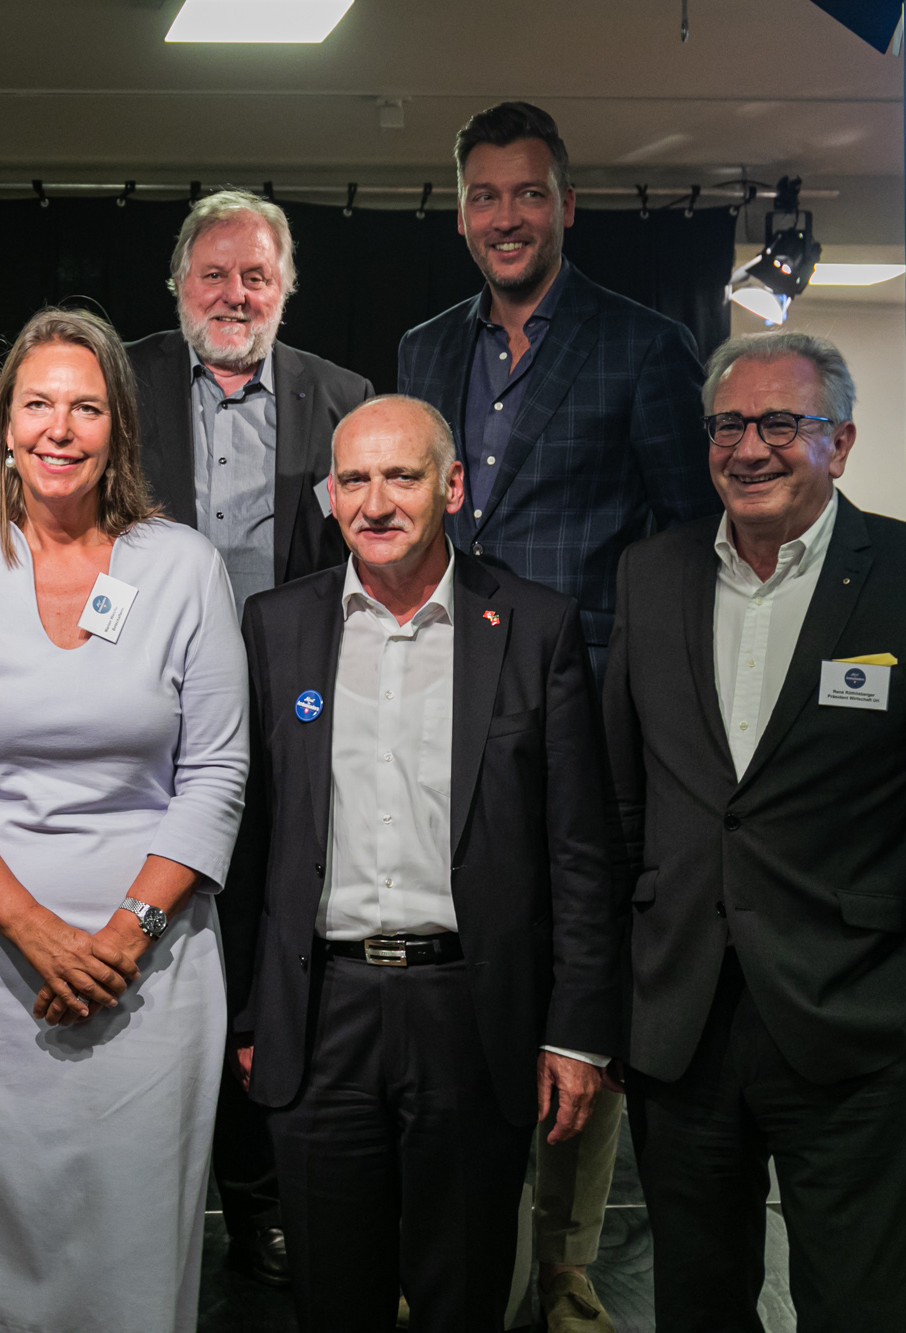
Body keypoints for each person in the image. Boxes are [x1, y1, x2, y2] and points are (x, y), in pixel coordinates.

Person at [396, 101, 719, 1330]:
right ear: (461, 211)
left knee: (582, 981)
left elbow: (678, 539)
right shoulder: (424, 349)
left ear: (564, 206)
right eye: (483, 196)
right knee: (468, 969)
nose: (504, 218)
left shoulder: (639, 347)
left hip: (582, 716)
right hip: (439, 709)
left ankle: (565, 1258)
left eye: (526, 194)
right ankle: (455, 1249)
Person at [0, 307, 248, 1333]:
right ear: (3, 424)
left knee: (122, 1251)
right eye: (35, 403)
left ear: (117, 426)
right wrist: (36, 933)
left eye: (84, 406)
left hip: (147, 968)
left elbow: (214, 773)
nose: (59, 428)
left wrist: (123, 935)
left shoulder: (181, 568)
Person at [228, 395, 621, 1331]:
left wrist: (575, 1032)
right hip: (322, 1012)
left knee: (464, 1294)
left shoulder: (532, 625)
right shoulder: (276, 627)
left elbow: (580, 849)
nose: (376, 501)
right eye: (353, 479)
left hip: (471, 1016)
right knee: (333, 1296)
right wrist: (249, 1009)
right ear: (330, 495)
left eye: (401, 475)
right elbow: (250, 837)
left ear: (451, 485)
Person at [605, 331, 906, 1333]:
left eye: (780, 422)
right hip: (681, 1022)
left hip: (851, 1019)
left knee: (857, 1303)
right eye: (727, 425)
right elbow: (618, 800)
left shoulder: (900, 574)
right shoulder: (649, 574)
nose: (748, 448)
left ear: (840, 440)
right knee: (693, 1301)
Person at [124, 186, 373, 1288]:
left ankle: (262, 1202)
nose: (234, 295)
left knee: (275, 966)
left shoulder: (342, 399)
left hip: (290, 721)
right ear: (179, 284)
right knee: (153, 961)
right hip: (137, 718)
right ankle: (148, 1203)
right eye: (213, 274)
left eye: (255, 276)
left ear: (284, 290)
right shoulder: (119, 383)